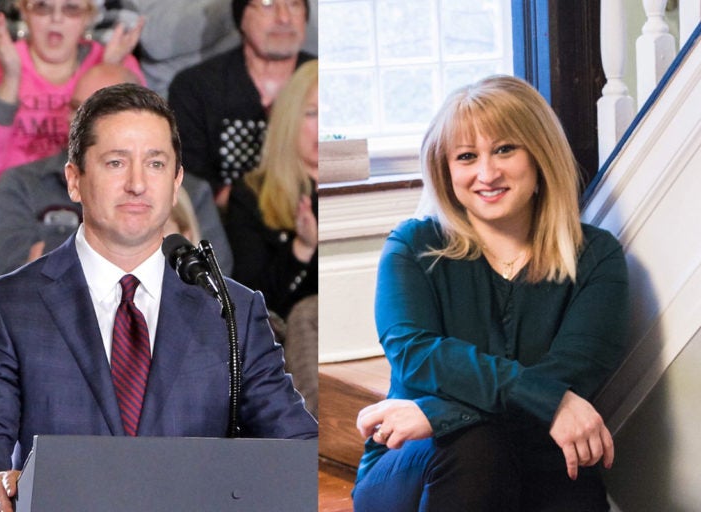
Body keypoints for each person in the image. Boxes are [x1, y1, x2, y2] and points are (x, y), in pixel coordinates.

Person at [0, 83, 317, 512]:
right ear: (74, 180)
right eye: (116, 162)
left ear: (176, 184)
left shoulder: (233, 310)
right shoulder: (8, 306)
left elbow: (295, 448)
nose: (137, 184)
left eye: (155, 164)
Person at [352, 75, 630, 511]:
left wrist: (439, 415)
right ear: (446, 172)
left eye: (505, 149)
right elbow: (416, 352)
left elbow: (574, 373)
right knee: (477, 448)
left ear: (540, 154)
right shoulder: (412, 246)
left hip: (546, 461)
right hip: (424, 463)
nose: (487, 173)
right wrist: (538, 401)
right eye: (466, 156)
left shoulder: (595, 256)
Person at [0, 62, 233, 279]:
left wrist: (54, 253)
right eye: (75, 109)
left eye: (98, 113)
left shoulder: (189, 190)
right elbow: (10, 278)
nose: (76, 122)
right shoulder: (21, 185)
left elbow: (215, 281)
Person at [0, 0, 144, 211]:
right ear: (24, 11)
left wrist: (106, 76)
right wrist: (10, 81)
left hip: (83, 200)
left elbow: (127, 154)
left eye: (71, 9)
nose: (56, 19)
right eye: (42, 7)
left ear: (89, 16)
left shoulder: (115, 65)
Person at [225, 59, 317, 415]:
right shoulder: (251, 194)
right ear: (289, 120)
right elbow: (254, 299)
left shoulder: (344, 189)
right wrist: (301, 249)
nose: (323, 127)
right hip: (283, 333)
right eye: (311, 114)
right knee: (305, 314)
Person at [168, 0, 315, 208]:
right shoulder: (195, 88)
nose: (284, 18)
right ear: (241, 17)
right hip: (223, 226)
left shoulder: (326, 80)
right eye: (267, 4)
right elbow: (189, 183)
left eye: (294, 4)